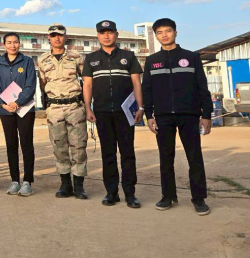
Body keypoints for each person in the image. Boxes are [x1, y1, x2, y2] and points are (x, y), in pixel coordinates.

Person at [142, 18, 212, 216]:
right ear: (156, 36)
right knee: (166, 159)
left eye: (168, 31)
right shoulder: (151, 61)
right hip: (163, 117)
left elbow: (202, 87)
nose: (164, 35)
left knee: (194, 157)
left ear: (175, 32)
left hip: (189, 115)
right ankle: (168, 196)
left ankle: (199, 199)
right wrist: (149, 115)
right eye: (160, 32)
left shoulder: (191, 57)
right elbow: (147, 90)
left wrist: (206, 114)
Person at [82, 20, 144, 208]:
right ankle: (111, 192)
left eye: (110, 32)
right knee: (108, 154)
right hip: (102, 113)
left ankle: (130, 194)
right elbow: (87, 85)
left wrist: (140, 107)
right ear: (98, 36)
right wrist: (88, 108)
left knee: (127, 153)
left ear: (116, 35)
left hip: (125, 113)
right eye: (103, 33)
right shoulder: (91, 59)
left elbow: (136, 83)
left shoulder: (128, 56)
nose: (106, 36)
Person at [38, 24, 88, 200]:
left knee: (78, 146)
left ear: (66, 37)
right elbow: (43, 84)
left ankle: (79, 185)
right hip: (54, 108)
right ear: (49, 38)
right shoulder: (43, 59)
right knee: (59, 147)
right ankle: (65, 184)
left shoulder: (76, 57)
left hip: (75, 106)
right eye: (53, 35)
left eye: (60, 35)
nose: (57, 38)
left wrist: (88, 106)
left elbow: (86, 82)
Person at [0, 32, 37, 196]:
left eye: (15, 42)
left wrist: (18, 102)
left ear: (19, 44)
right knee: (11, 145)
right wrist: (2, 103)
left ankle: (27, 181)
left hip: (25, 109)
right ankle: (15, 181)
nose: (12, 45)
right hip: (6, 110)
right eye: (9, 42)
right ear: (4, 45)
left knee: (26, 143)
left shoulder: (27, 61)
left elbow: (30, 86)